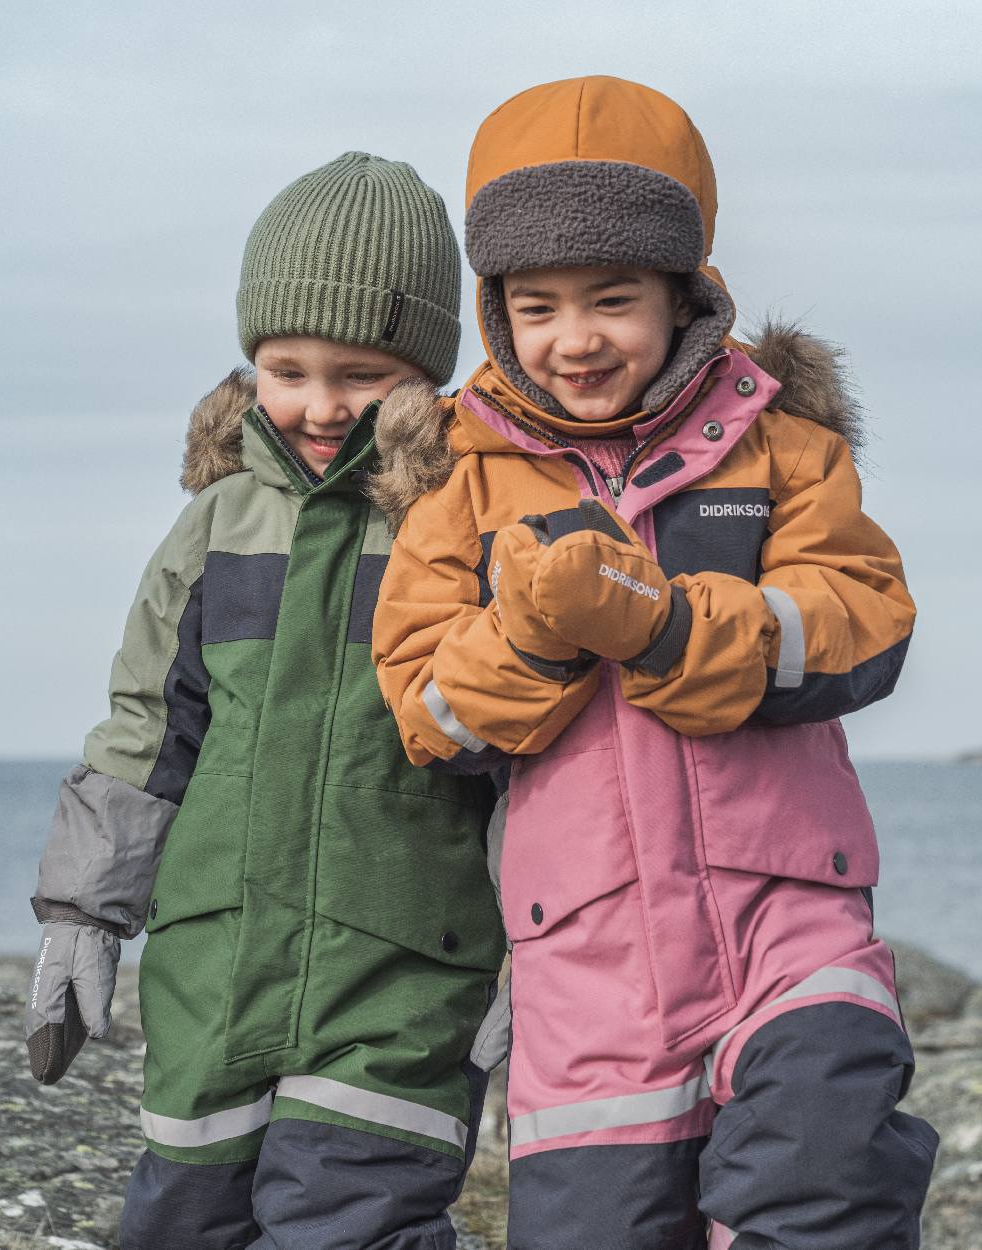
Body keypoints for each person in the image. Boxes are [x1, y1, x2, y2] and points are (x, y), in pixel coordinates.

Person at [371, 78, 938, 1249]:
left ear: (683, 292)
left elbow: (865, 621)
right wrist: (531, 637)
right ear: (494, 312)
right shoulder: (458, 480)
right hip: (587, 960)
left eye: (613, 299)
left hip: (789, 911)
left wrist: (669, 629)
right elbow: (425, 710)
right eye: (537, 306)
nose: (575, 338)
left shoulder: (782, 445)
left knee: (828, 1171)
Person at [24, 151, 504, 1250]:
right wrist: (84, 913)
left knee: (352, 1218)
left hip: (401, 967)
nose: (320, 404)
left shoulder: (463, 525)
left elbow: (527, 752)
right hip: (215, 966)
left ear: (425, 372)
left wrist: (555, 948)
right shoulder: (216, 525)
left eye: (361, 374)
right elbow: (147, 729)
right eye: (286, 369)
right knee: (182, 1221)